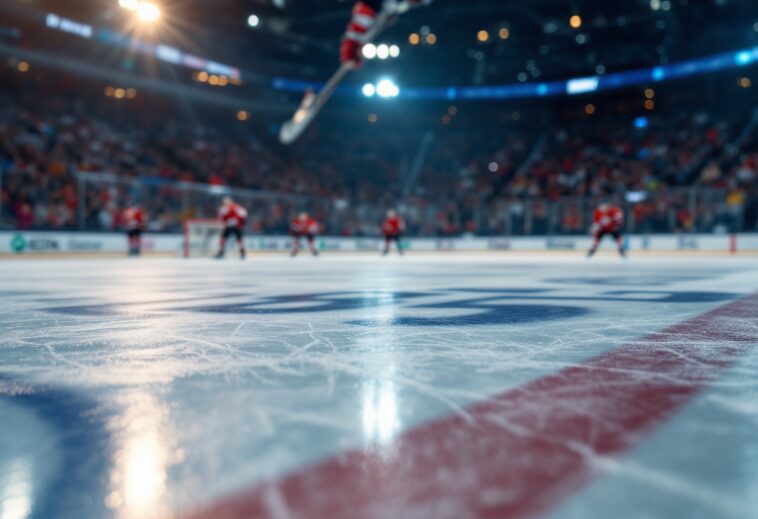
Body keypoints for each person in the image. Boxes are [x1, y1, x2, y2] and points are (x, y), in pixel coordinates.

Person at [341, 1, 431, 67]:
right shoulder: (368, 10)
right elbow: (355, 32)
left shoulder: (402, 5)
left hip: (376, 14)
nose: (415, 4)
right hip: (370, 9)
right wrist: (349, 53)